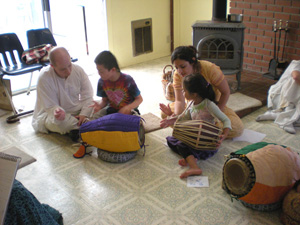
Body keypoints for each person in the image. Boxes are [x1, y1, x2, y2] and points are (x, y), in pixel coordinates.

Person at [160, 45, 243, 139]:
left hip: (214, 106)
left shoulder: (210, 69)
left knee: (237, 128)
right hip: (191, 106)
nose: (179, 71)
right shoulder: (177, 74)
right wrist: (177, 116)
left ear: (192, 61)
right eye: (176, 67)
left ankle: (196, 129)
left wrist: (215, 116)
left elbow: (226, 92)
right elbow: (180, 101)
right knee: (164, 115)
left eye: (183, 66)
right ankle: (200, 131)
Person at [160, 73, 231, 179]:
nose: (183, 93)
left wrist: (223, 136)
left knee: (181, 146)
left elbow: (226, 120)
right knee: (171, 140)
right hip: (194, 140)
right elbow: (183, 118)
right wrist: (170, 118)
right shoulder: (191, 103)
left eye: (185, 90)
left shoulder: (208, 105)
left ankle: (194, 166)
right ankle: (193, 157)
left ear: (194, 94)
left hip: (206, 143)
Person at [32, 47, 94, 141]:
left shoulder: (78, 70)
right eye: (63, 69)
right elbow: (50, 107)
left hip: (77, 111)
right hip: (52, 116)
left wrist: (84, 114)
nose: (68, 71)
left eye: (69, 65)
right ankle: (88, 126)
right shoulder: (44, 77)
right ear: (52, 66)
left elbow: (88, 96)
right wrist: (58, 113)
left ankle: (80, 127)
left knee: (99, 106)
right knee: (62, 124)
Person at [90, 50, 143, 116]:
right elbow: (104, 100)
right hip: (112, 111)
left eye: (101, 71)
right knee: (96, 117)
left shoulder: (127, 80)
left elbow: (139, 99)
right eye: (97, 70)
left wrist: (128, 107)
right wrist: (99, 106)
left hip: (130, 112)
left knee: (136, 121)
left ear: (113, 70)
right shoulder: (101, 82)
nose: (99, 74)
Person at [256, 60, 300, 134]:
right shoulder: (296, 63)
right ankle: (286, 120)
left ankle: (276, 115)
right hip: (280, 96)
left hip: (293, 100)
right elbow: (296, 76)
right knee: (294, 82)